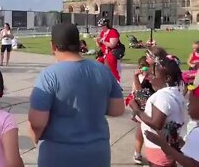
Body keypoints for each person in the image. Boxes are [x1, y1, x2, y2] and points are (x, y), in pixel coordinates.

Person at [28, 23, 125, 167]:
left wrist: (35, 137)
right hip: (98, 154)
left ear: (53, 46)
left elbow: (37, 122)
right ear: (80, 44)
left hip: (59, 155)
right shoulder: (102, 70)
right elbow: (117, 109)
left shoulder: (49, 75)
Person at [129, 53, 185, 167]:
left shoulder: (163, 96)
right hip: (165, 145)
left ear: (167, 78)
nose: (149, 79)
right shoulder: (172, 92)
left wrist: (136, 110)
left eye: (153, 75)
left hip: (159, 148)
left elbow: (156, 123)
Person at [144, 83, 199, 167]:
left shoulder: (197, 133)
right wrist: (181, 144)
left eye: (191, 102)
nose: (188, 105)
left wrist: (164, 146)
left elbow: (192, 164)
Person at [129, 56, 155, 165]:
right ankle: (137, 153)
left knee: (152, 133)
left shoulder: (153, 78)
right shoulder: (140, 77)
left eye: (146, 68)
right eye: (142, 67)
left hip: (152, 107)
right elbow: (137, 92)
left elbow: (142, 93)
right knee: (140, 131)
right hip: (142, 107)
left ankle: (153, 155)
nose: (143, 70)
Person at [96, 18, 121, 83]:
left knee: (112, 68)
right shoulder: (102, 33)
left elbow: (112, 45)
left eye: (101, 26)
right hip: (104, 53)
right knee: (97, 65)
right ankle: (102, 81)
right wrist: (97, 41)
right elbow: (100, 46)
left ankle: (117, 82)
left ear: (105, 26)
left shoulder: (113, 32)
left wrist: (103, 41)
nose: (100, 28)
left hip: (112, 53)